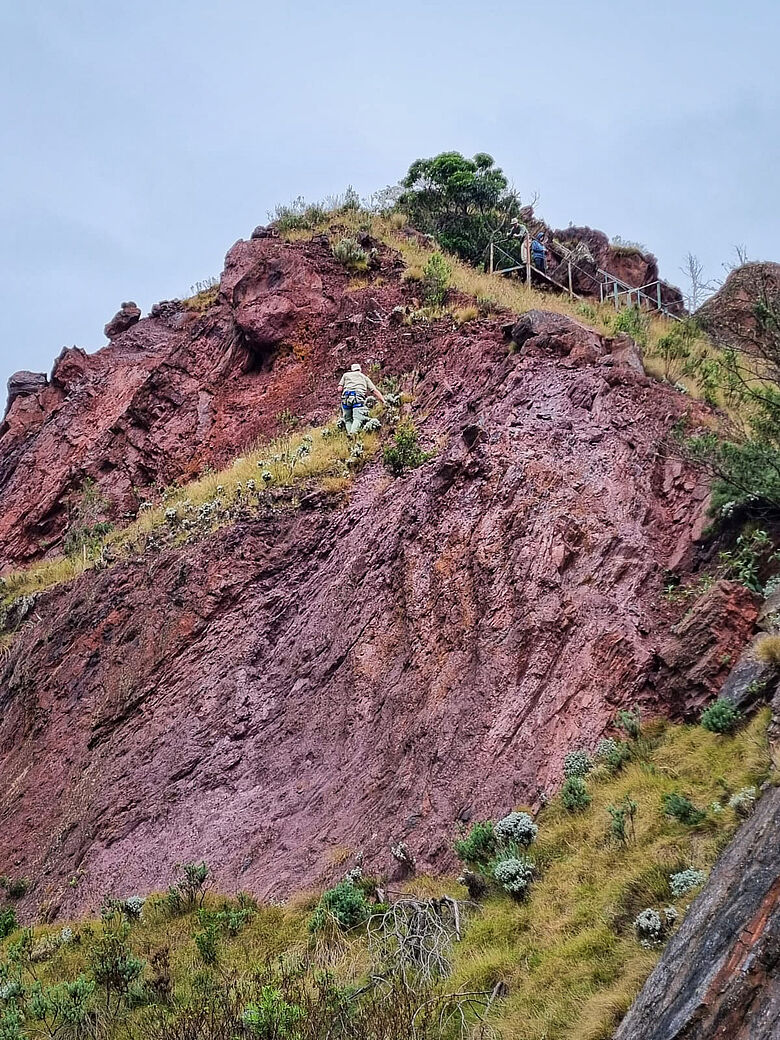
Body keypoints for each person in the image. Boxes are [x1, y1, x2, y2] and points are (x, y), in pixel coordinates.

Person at [338, 363, 386, 435]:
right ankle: (352, 434)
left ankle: (350, 437)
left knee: (347, 420)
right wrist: (383, 401)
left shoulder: (346, 375)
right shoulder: (364, 377)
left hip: (346, 398)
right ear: (360, 370)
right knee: (357, 418)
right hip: (358, 398)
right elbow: (374, 391)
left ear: (352, 370)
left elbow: (339, 389)